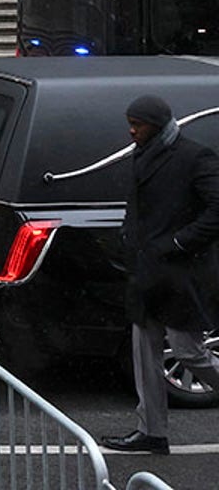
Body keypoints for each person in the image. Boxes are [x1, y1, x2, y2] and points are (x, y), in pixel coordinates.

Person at [97, 94, 219, 454]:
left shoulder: (195, 157)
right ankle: (151, 430)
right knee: (144, 353)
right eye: (130, 122)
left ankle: (152, 430)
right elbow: (139, 208)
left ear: (159, 124)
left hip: (181, 274)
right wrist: (128, 237)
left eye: (139, 123)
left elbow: (217, 210)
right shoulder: (143, 153)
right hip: (147, 270)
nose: (132, 129)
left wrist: (180, 242)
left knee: (188, 351)